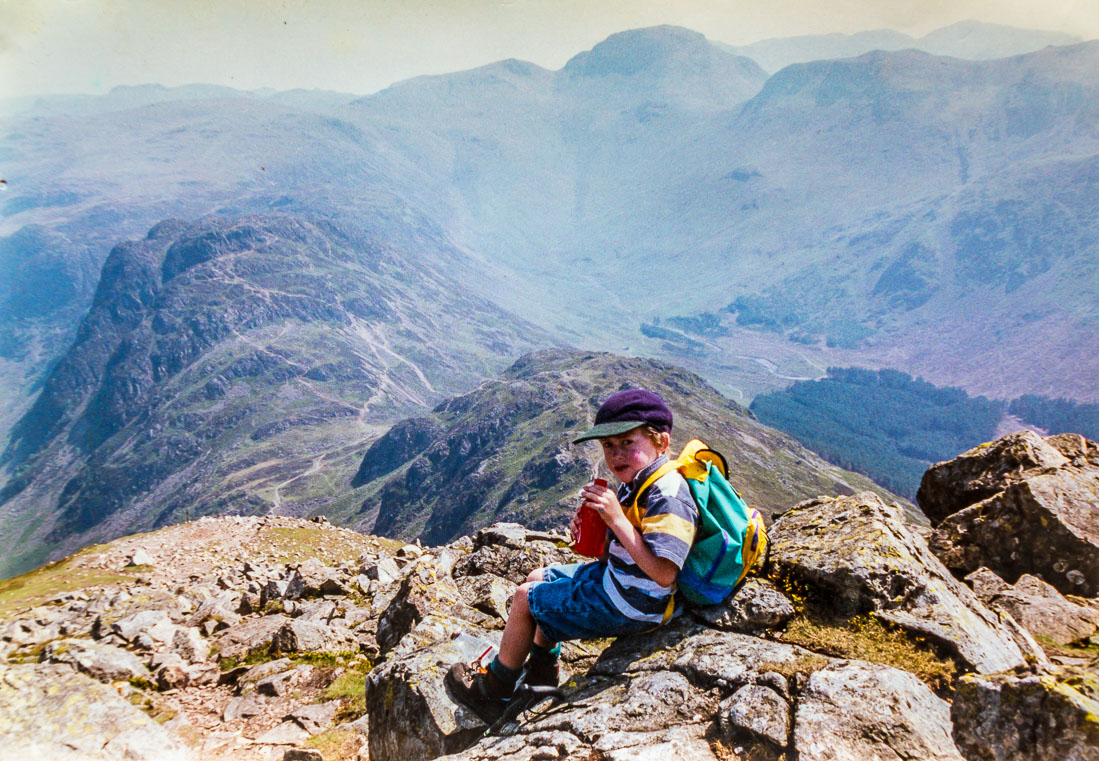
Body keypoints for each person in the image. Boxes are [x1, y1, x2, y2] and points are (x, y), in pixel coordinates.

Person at [446, 388, 699, 724]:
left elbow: (664, 574)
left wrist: (617, 520)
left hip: (637, 603)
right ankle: (542, 674)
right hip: (621, 581)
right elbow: (619, 552)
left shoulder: (668, 494)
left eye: (627, 442)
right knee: (537, 578)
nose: (616, 454)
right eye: (608, 445)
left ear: (661, 443)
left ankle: (494, 691)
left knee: (525, 598)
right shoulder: (638, 482)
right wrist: (595, 533)